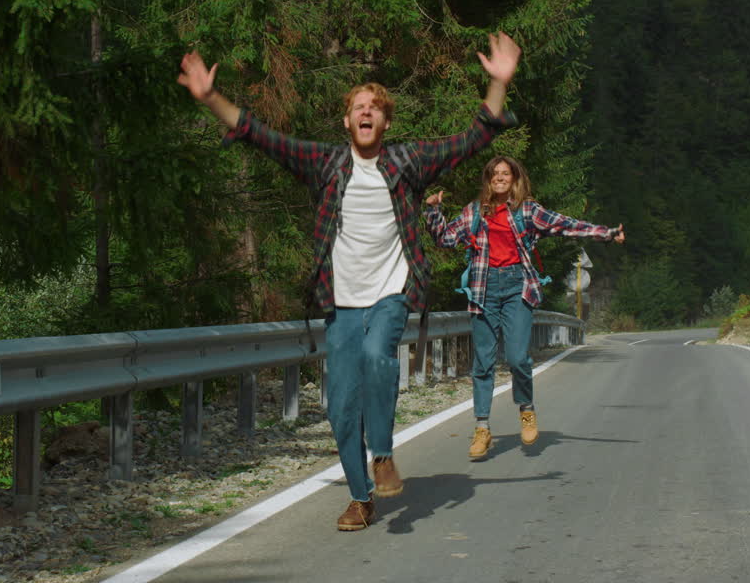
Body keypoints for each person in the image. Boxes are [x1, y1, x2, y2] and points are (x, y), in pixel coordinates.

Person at [177, 33, 521, 531]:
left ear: (385, 123)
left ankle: (382, 455)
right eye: (358, 107)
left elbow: (474, 138)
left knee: (379, 357)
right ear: (347, 121)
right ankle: (361, 498)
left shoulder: (407, 162)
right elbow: (262, 136)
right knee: (340, 406)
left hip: (391, 291)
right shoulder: (326, 164)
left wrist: (498, 84)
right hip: (339, 301)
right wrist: (211, 97)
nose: (366, 112)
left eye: (374, 108)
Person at [424, 156, 625, 460]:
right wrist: (433, 211)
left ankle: (526, 409)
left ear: (515, 178)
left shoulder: (527, 210)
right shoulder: (474, 211)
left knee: (518, 358)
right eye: (495, 174)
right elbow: (445, 239)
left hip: (517, 286)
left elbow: (565, 225)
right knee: (483, 362)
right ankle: (482, 428)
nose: (500, 178)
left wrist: (605, 233)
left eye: (505, 173)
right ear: (488, 179)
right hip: (483, 289)